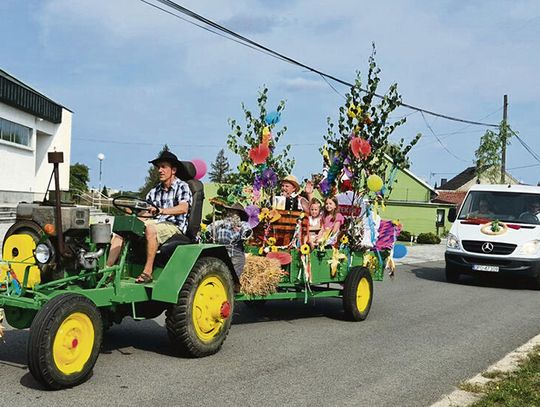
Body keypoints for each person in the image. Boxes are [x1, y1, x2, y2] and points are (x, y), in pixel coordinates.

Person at [107, 151, 192, 284]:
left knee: (150, 229)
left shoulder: (182, 187)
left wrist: (161, 211)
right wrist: (132, 212)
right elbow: (146, 211)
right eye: (158, 167)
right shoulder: (155, 191)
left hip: (174, 226)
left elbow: (183, 208)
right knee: (123, 229)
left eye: (163, 167)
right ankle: (108, 271)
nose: (160, 170)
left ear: (173, 170)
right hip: (155, 222)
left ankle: (147, 272)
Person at [207, 202, 252, 278]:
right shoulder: (219, 223)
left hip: (235, 252)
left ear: (239, 214)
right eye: (229, 211)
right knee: (218, 275)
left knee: (233, 277)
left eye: (234, 212)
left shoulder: (241, 224)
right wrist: (208, 234)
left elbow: (247, 230)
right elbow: (208, 229)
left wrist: (245, 232)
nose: (230, 213)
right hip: (220, 251)